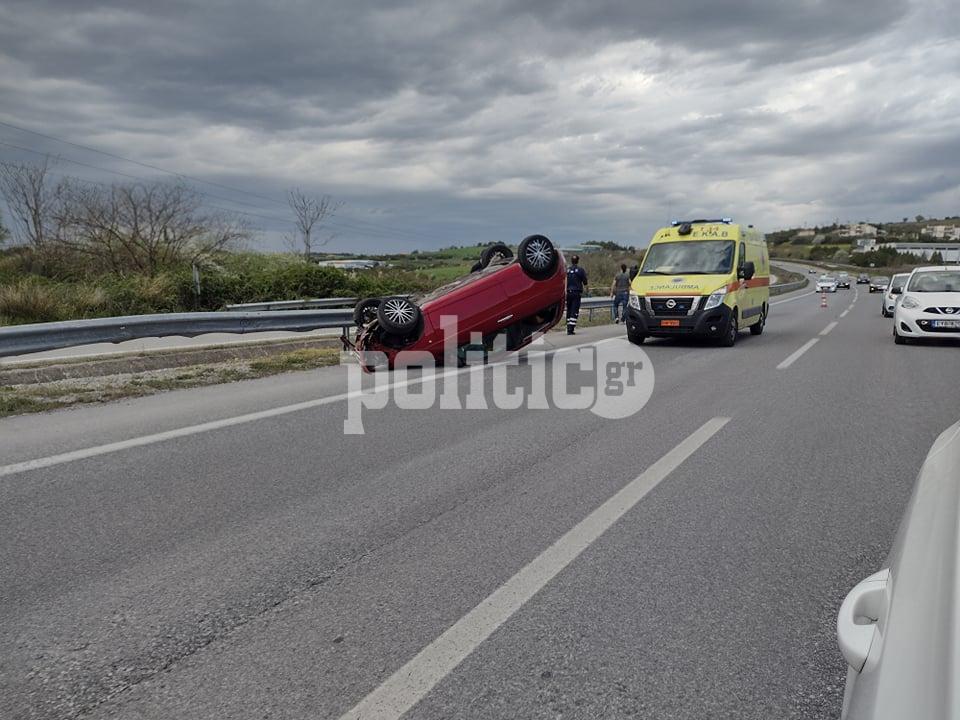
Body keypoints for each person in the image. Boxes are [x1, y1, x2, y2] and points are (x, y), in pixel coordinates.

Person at [566, 254, 588, 334]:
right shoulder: (580, 270)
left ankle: (568, 326)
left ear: (571, 261)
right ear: (578, 261)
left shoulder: (567, 270)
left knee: (569, 309)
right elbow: (585, 282)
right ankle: (570, 329)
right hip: (576, 292)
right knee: (574, 310)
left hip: (568, 292)